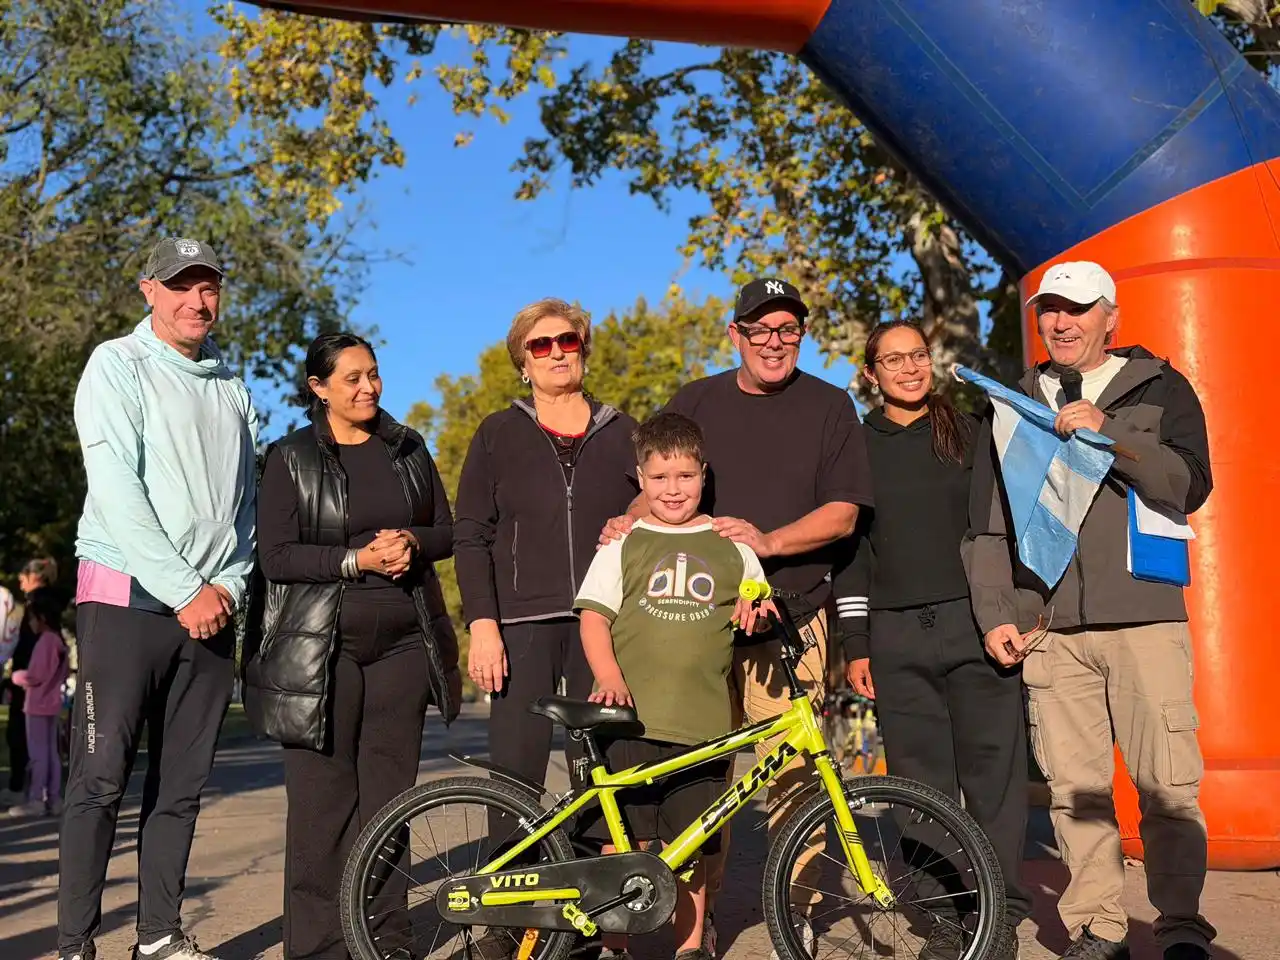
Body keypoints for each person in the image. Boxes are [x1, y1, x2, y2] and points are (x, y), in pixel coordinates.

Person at [600, 278, 876, 952]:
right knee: (700, 780)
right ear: (736, 336)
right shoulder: (698, 400)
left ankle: (797, 916)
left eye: (788, 329)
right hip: (692, 625)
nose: (774, 342)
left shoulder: (830, 405)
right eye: (761, 330)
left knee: (794, 777)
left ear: (799, 337)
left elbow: (845, 513)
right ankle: (698, 923)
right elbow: (659, 482)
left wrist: (772, 542)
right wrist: (625, 524)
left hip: (791, 619)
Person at [962, 261, 1215, 960]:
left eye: (1075, 309)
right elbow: (986, 524)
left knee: (1166, 783)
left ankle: (1182, 924)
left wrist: (1111, 435)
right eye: (1049, 310)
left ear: (1111, 316)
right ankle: (1098, 928)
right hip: (1049, 629)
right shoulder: (1010, 403)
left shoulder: (1159, 387)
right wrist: (995, 614)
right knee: (1075, 792)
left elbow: (1189, 484)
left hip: (1145, 618)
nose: (1060, 323)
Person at [59, 237, 259, 960]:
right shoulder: (117, 365)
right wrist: (182, 590)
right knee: (100, 778)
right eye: (181, 286)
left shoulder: (234, 386)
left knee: (180, 786)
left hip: (210, 610)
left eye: (209, 286)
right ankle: (77, 943)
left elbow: (247, 507)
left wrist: (228, 585)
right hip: (124, 599)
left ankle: (159, 936)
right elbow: (116, 492)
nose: (197, 301)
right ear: (149, 289)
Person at [244, 331, 462, 960]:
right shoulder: (290, 457)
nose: (369, 388)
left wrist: (411, 544)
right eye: (353, 379)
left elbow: (445, 531)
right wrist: (354, 558)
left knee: (388, 803)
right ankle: (316, 947)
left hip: (403, 644)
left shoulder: (409, 448)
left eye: (374, 374)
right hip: (321, 651)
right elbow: (276, 555)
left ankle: (385, 938)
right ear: (319, 389)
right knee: (322, 806)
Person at [836, 319, 1029, 959]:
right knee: (920, 787)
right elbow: (852, 553)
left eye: (917, 355)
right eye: (893, 360)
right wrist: (856, 641)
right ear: (871, 375)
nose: (909, 369)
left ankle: (997, 915)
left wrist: (1008, 609)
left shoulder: (971, 431)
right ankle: (947, 920)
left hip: (977, 626)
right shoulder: (855, 447)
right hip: (895, 637)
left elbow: (1004, 526)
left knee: (993, 776)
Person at [574, 411, 773, 960]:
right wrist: (609, 676)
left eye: (684, 476)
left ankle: (689, 947)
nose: (673, 489)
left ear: (703, 475)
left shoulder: (730, 542)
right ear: (640, 479)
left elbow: (759, 601)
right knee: (625, 846)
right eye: (659, 478)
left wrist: (758, 608)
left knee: (690, 850)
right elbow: (593, 617)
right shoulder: (624, 542)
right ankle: (616, 946)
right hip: (631, 719)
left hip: (702, 725)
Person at [453, 299, 639, 803]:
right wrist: (483, 625)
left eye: (568, 341)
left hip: (605, 623)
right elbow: (470, 533)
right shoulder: (498, 434)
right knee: (513, 781)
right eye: (541, 344)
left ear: (583, 351)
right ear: (524, 363)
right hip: (521, 627)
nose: (557, 352)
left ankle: (595, 880)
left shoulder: (625, 432)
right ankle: (513, 876)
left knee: (602, 778)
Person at [8, 588, 70, 818]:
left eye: (32, 618)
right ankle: (53, 798)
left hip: (36, 706)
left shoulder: (45, 641)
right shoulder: (59, 642)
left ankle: (36, 799)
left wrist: (15, 677)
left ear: (41, 618)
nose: (30, 623)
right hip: (52, 705)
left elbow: (35, 675)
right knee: (51, 753)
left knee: (38, 755)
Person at [2, 557, 59, 807]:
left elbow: (32, 664)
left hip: (33, 694)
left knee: (27, 743)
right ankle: (52, 795)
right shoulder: (55, 634)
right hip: (51, 696)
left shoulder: (37, 609)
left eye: (23, 575)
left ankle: (33, 795)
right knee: (48, 749)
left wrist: (13, 677)